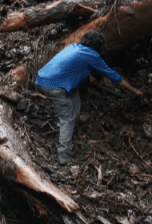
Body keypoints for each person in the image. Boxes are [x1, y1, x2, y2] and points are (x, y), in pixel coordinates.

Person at [36, 30, 143, 165]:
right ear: (97, 46)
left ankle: (69, 134)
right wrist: (135, 91)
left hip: (44, 79)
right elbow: (114, 76)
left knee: (75, 102)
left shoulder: (74, 47)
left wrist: (89, 76)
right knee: (67, 117)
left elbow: (73, 66)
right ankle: (63, 156)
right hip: (52, 86)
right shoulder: (91, 55)